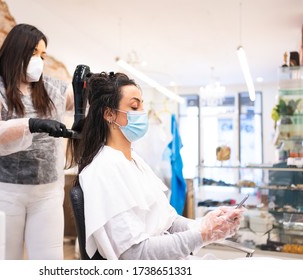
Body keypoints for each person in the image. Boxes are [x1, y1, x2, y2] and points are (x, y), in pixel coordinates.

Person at [65, 72, 244, 260]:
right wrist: (202, 234)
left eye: (142, 104)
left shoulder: (134, 160)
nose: (142, 112)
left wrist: (209, 223)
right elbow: (136, 253)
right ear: (109, 114)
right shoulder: (104, 171)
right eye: (134, 106)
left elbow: (168, 222)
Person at [0, 23, 73, 260]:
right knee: (4, 261)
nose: (39, 60)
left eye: (43, 55)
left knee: (50, 262)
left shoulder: (51, 88)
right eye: (33, 53)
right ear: (16, 51)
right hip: (0, 190)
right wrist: (31, 124)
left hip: (46, 192)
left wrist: (93, 85)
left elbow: (83, 102)